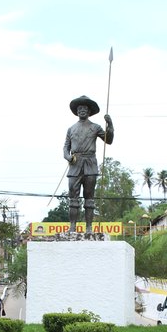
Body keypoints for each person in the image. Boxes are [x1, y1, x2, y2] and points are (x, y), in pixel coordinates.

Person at [62, 95, 114, 234]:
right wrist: (68, 157)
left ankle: (89, 228)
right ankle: (72, 227)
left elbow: (108, 140)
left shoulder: (95, 127)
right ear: (76, 111)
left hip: (90, 162)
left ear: (89, 111)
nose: (82, 110)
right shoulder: (71, 129)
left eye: (85, 108)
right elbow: (65, 148)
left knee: (89, 196)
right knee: (73, 196)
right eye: (79, 108)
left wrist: (110, 125)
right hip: (75, 164)